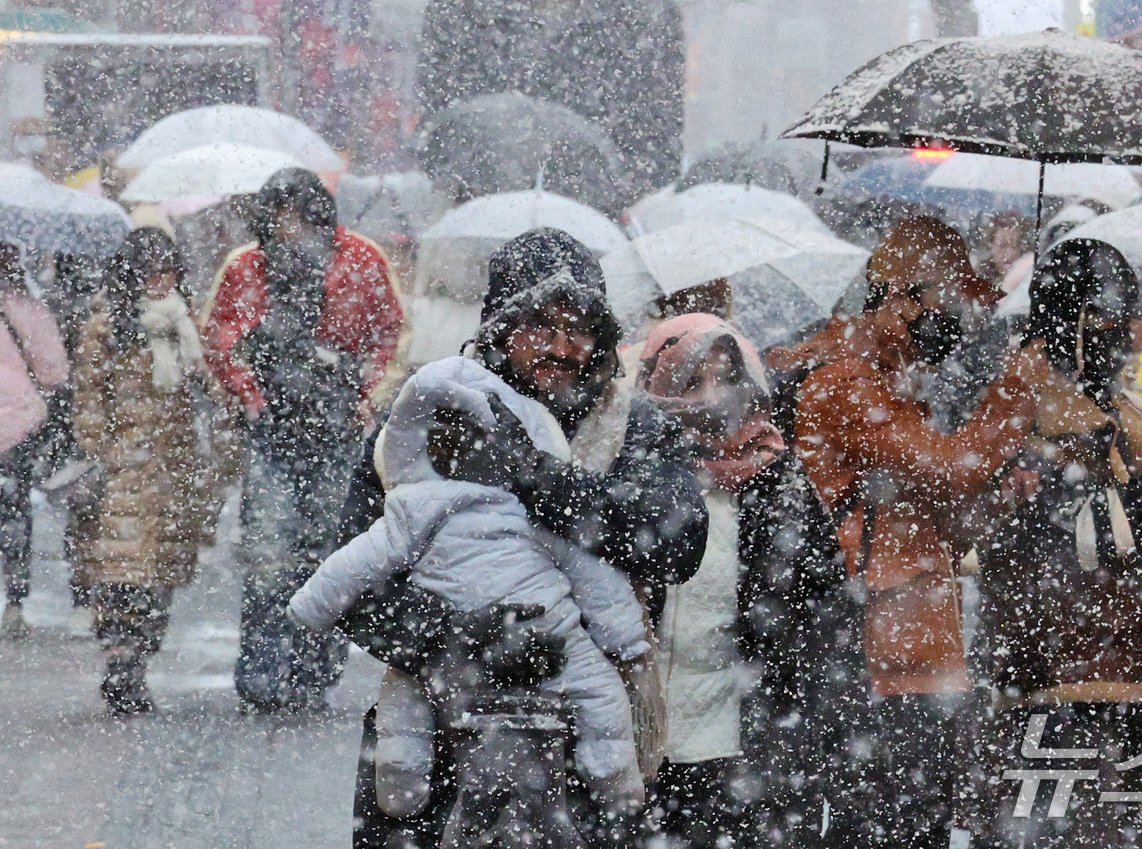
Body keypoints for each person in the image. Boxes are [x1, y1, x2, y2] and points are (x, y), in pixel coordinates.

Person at [344, 227, 707, 848]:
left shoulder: (632, 426)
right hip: (438, 737)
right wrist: (460, 638)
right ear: (497, 329)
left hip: (592, 738)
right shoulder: (426, 413)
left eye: (579, 328)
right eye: (540, 325)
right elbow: (352, 576)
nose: (561, 347)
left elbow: (678, 542)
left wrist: (542, 480)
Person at [769, 215, 1048, 847]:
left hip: (911, 646)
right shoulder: (846, 383)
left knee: (914, 823)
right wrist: (1017, 387)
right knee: (884, 825)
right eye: (949, 304)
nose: (959, 324)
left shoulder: (891, 382)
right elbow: (951, 471)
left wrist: (999, 495)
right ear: (902, 298)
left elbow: (939, 525)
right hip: (871, 653)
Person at [976, 239, 1142, 849]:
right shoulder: (1035, 404)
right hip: (1067, 680)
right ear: (1083, 320)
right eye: (1129, 316)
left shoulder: (1105, 404)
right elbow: (1078, 535)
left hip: (1125, 670)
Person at [292, 357, 650, 813]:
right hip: (546, 627)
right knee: (599, 695)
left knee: (405, 706)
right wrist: (625, 637)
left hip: (488, 639)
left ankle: (402, 778)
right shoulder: (528, 506)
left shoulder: (413, 509)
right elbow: (588, 573)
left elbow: (353, 564)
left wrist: (311, 605)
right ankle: (613, 779)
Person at [635, 313, 876, 847]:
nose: (711, 398)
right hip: (637, 744)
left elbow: (824, 623)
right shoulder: (633, 475)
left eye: (726, 378)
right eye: (690, 382)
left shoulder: (780, 484)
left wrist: (828, 754)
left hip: (746, 745)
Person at [202, 168, 405, 713]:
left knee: (329, 553)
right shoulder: (247, 268)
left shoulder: (362, 260)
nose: (288, 229)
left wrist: (364, 396)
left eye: (298, 217)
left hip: (337, 431)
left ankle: (315, 668)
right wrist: (253, 397)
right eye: (278, 217)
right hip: (273, 431)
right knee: (269, 552)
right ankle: (264, 670)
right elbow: (220, 340)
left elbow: (391, 333)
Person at [69, 229, 218, 713]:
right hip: (121, 475)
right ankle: (120, 662)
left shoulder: (186, 323)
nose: (160, 280)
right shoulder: (106, 326)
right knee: (118, 576)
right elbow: (88, 400)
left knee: (160, 578)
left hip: (172, 474)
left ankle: (137, 661)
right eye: (150, 270)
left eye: (169, 270)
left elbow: (209, 385)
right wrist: (105, 454)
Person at [0, 242, 69, 638]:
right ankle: (14, 599)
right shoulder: (28, 310)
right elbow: (54, 372)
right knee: (13, 512)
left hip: (15, 424)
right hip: (17, 427)